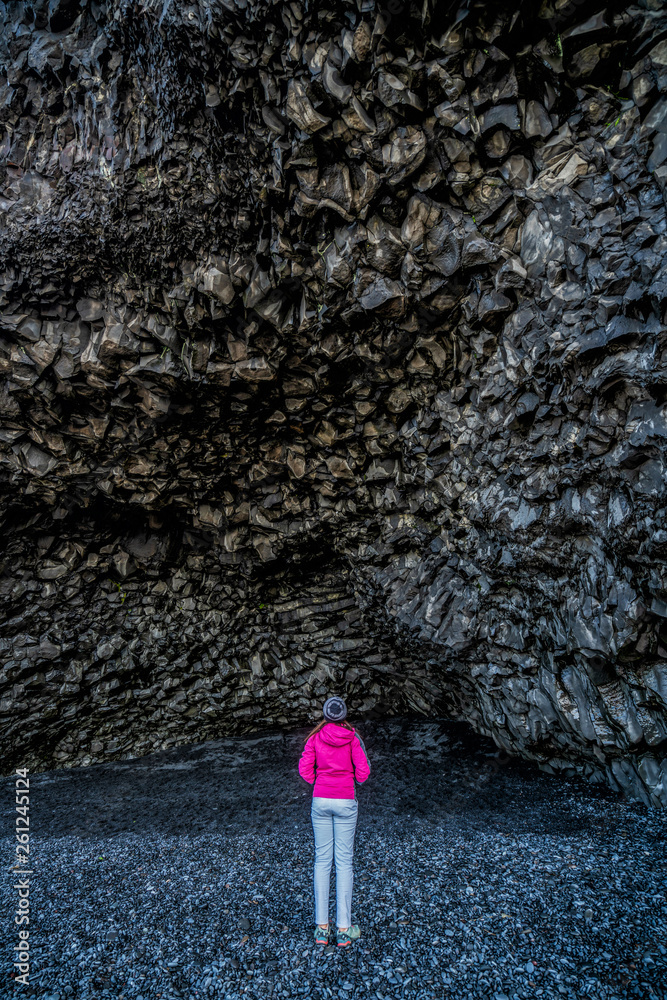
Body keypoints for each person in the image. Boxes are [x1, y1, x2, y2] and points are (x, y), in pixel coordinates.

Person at [298, 696, 371, 948]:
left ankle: (321, 929)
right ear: (343, 715)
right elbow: (363, 773)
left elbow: (305, 770)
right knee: (344, 861)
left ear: (326, 715)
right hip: (345, 801)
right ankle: (343, 929)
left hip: (321, 800)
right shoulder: (352, 738)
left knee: (321, 861)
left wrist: (320, 784)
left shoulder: (315, 738)